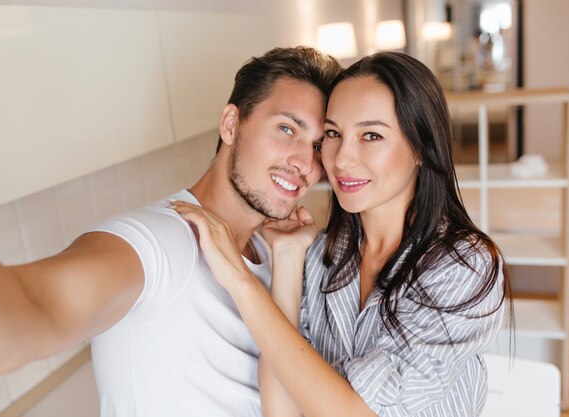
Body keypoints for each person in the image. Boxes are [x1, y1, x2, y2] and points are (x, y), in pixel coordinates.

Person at [0, 46, 341, 416]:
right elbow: (31, 309)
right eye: (287, 129)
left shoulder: (278, 253)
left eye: (319, 145)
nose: (304, 162)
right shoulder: (156, 241)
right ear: (230, 125)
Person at [174, 51, 511, 417]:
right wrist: (287, 261)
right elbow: (280, 411)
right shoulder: (319, 258)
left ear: (420, 148)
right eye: (333, 134)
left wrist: (242, 283)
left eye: (370, 135)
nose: (341, 159)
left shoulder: (464, 268)